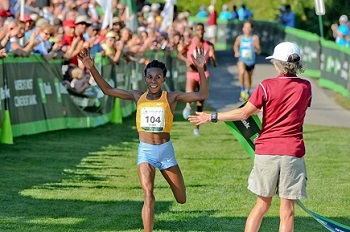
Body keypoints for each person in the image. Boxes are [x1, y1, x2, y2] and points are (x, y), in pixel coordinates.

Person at [77, 46, 209, 232]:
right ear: (145, 78)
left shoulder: (171, 97)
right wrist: (91, 67)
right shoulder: (137, 96)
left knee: (181, 199)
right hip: (145, 151)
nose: (153, 81)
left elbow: (202, 95)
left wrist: (201, 68)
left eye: (157, 77)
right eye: (149, 77)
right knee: (148, 195)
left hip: (166, 152)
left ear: (163, 79)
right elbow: (107, 90)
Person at [188, 42, 311, 232]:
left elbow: (244, 114)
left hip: (267, 152)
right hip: (292, 153)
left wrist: (211, 116)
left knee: (262, 205)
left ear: (278, 64)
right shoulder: (306, 87)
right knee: (287, 212)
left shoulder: (266, 86)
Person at [177, 22, 217, 136]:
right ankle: (188, 105)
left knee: (200, 101)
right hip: (192, 73)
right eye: (198, 30)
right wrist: (186, 61)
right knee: (189, 95)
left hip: (203, 73)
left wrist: (213, 57)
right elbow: (179, 54)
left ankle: (197, 128)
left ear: (204, 31)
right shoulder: (190, 43)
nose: (200, 32)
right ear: (195, 31)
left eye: (202, 30)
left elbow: (214, 64)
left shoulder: (208, 45)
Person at [233, 20, 261, 101]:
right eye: (245, 27)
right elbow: (235, 45)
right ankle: (242, 90)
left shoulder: (255, 38)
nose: (247, 29)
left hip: (251, 60)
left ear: (251, 29)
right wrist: (236, 52)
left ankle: (247, 91)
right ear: (243, 28)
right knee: (241, 72)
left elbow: (259, 50)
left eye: (249, 27)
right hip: (242, 59)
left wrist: (256, 47)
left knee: (249, 77)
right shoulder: (240, 38)